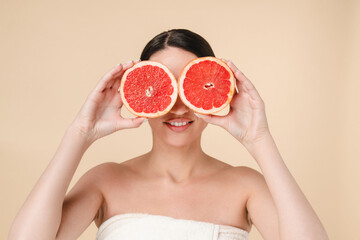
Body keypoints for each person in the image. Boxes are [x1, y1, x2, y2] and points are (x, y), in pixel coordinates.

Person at [8, 29, 329, 240]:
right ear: (137, 96)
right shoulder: (105, 181)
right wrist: (80, 133)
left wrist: (260, 141)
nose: (177, 108)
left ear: (217, 92)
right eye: (161, 89)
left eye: (190, 88)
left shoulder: (246, 186)